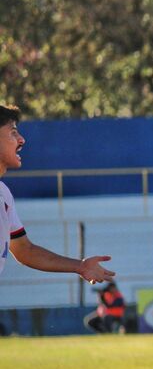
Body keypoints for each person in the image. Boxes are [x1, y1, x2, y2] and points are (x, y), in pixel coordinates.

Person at [0, 104, 115, 284]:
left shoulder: (4, 194)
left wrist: (80, 266)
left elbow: (24, 250)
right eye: (13, 132)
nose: (21, 140)